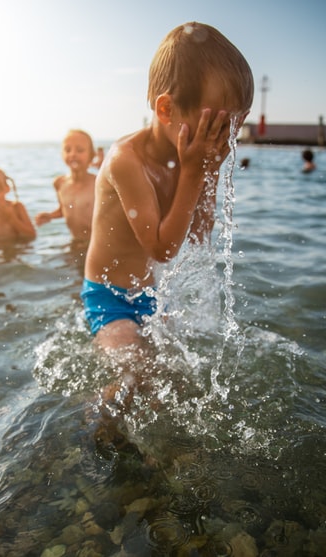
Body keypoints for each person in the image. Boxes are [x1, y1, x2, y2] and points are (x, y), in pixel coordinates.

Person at [81, 21, 254, 351]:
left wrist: (210, 171)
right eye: (212, 127)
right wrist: (192, 173)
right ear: (166, 110)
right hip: (109, 297)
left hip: (149, 294)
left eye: (228, 130)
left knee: (175, 372)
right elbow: (161, 249)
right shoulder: (126, 160)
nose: (218, 140)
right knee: (134, 373)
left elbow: (199, 234)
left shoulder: (185, 158)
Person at [35, 129, 96, 243]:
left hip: (96, 245)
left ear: (92, 156)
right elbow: (66, 209)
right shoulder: (60, 183)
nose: (73, 154)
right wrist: (50, 216)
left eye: (80, 150)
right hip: (74, 242)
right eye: (68, 150)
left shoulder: (98, 184)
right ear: (62, 154)